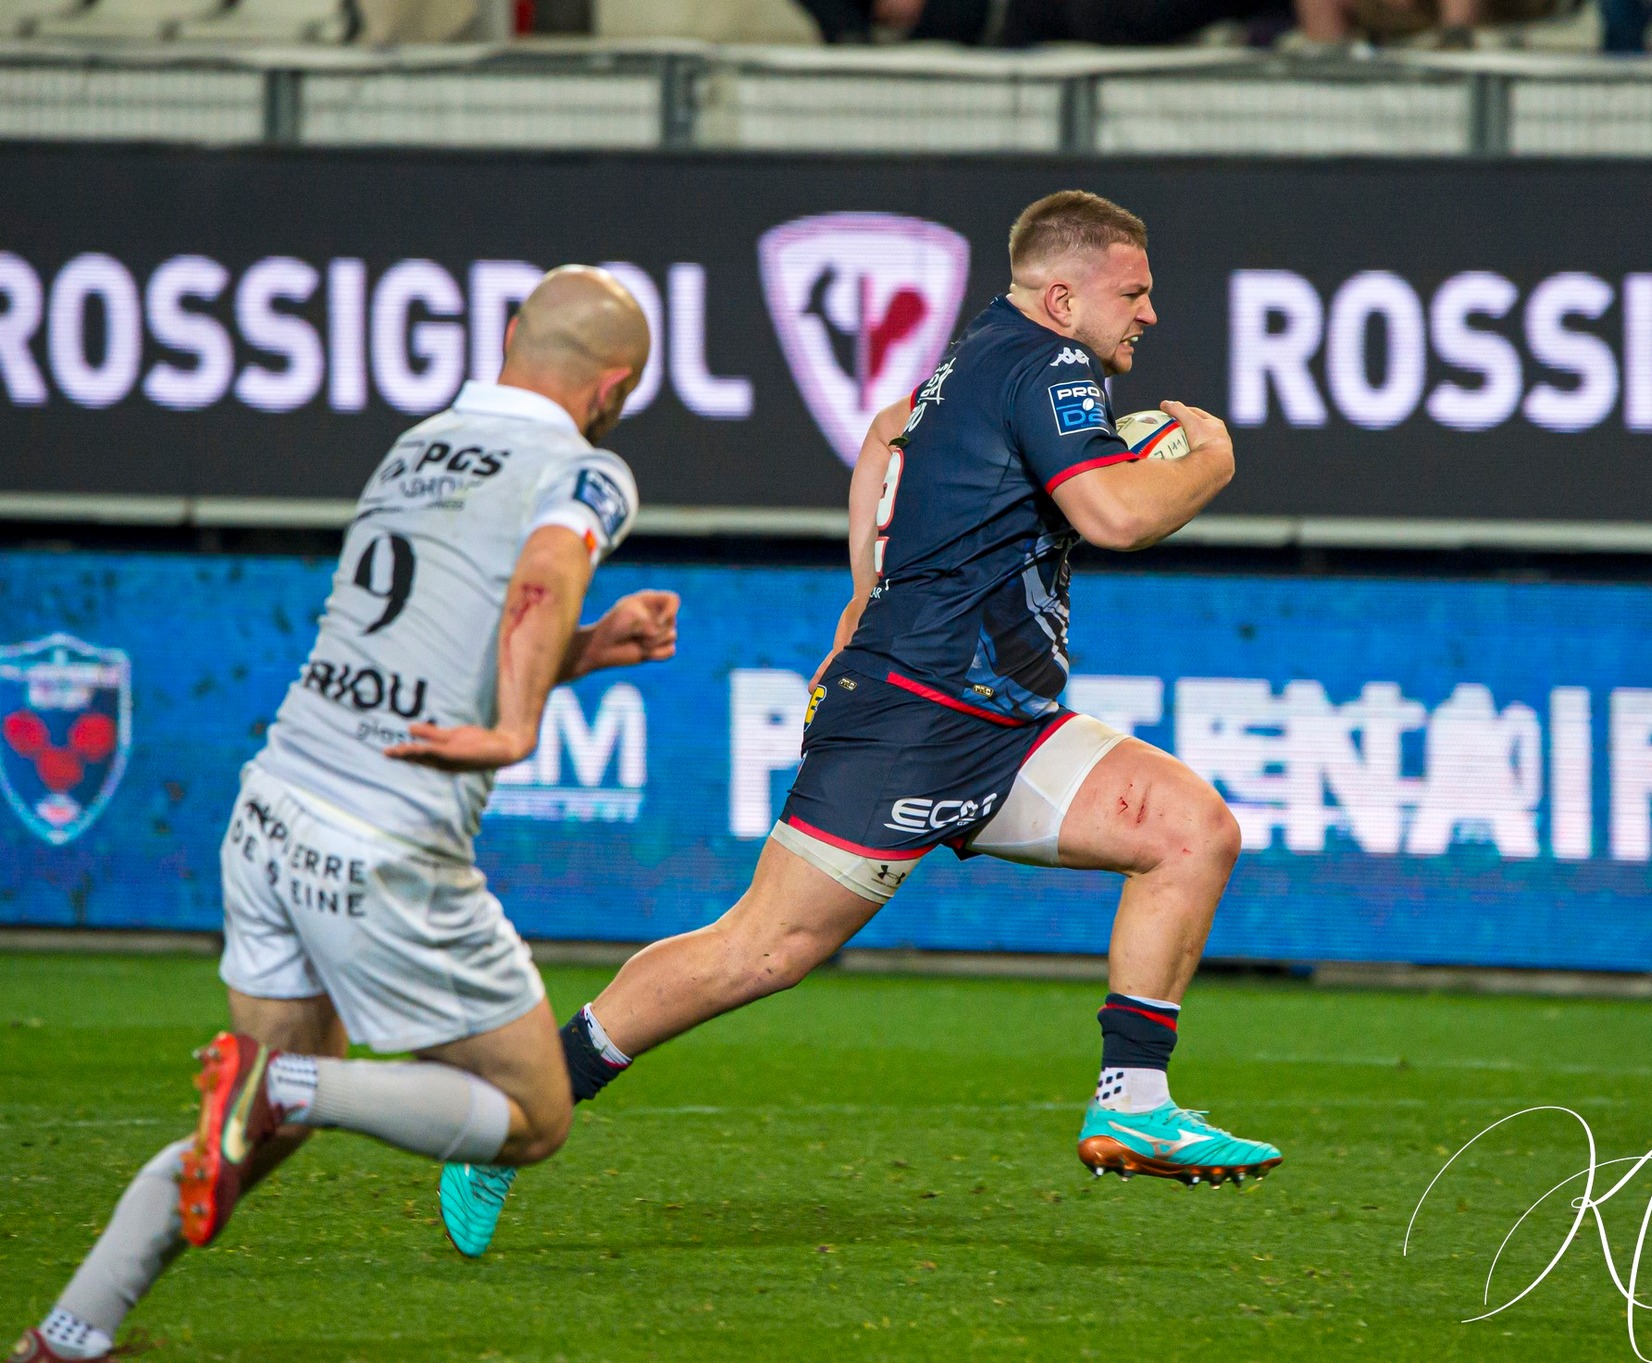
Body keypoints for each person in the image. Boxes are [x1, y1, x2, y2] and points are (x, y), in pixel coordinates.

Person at [438, 191, 1281, 1259]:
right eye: (1134, 290)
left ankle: (1132, 1098)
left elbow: (886, 433)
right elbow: (1112, 515)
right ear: (1062, 294)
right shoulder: (1047, 364)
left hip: (1002, 718)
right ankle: (516, 1108)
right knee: (759, 949)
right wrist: (1209, 457)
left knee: (1190, 829)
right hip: (914, 717)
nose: (1149, 313)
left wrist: (860, 588)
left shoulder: (976, 355)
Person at [10, 266, 680, 1362]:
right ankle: (290, 1089)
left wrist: (593, 650)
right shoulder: (583, 468)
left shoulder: (417, 444)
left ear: (510, 334)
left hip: (273, 807)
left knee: (241, 1132)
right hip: (381, 841)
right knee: (531, 1114)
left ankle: (69, 1334)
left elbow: (451, 637)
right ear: (610, 389)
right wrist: (517, 728)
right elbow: (545, 569)